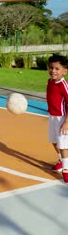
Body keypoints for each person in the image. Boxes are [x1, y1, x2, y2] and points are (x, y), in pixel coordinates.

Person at [47, 54, 68, 183]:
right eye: (51, 68)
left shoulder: (63, 85)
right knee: (54, 141)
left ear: (65, 71)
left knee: (63, 144)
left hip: (62, 119)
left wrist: (66, 122)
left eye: (56, 68)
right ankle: (61, 160)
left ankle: (66, 169)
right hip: (52, 117)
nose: (53, 71)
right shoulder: (50, 82)